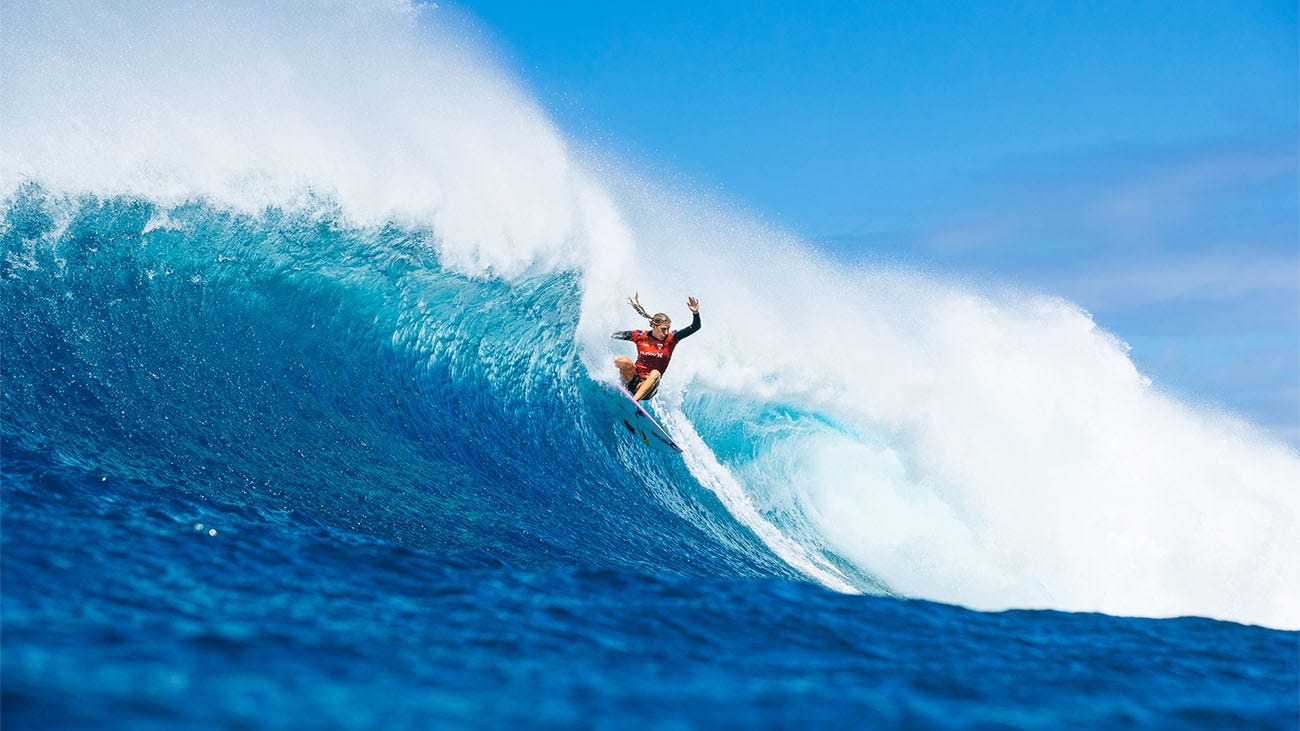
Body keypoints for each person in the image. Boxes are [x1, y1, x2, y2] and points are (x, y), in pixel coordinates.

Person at [612, 293, 701, 401]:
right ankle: (608, 379)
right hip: (631, 378)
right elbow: (613, 334)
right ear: (654, 326)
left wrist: (695, 313)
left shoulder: (672, 339)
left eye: (668, 328)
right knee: (621, 360)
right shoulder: (640, 336)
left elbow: (695, 327)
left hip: (647, 387)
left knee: (655, 373)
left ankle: (633, 402)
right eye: (663, 329)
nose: (666, 332)